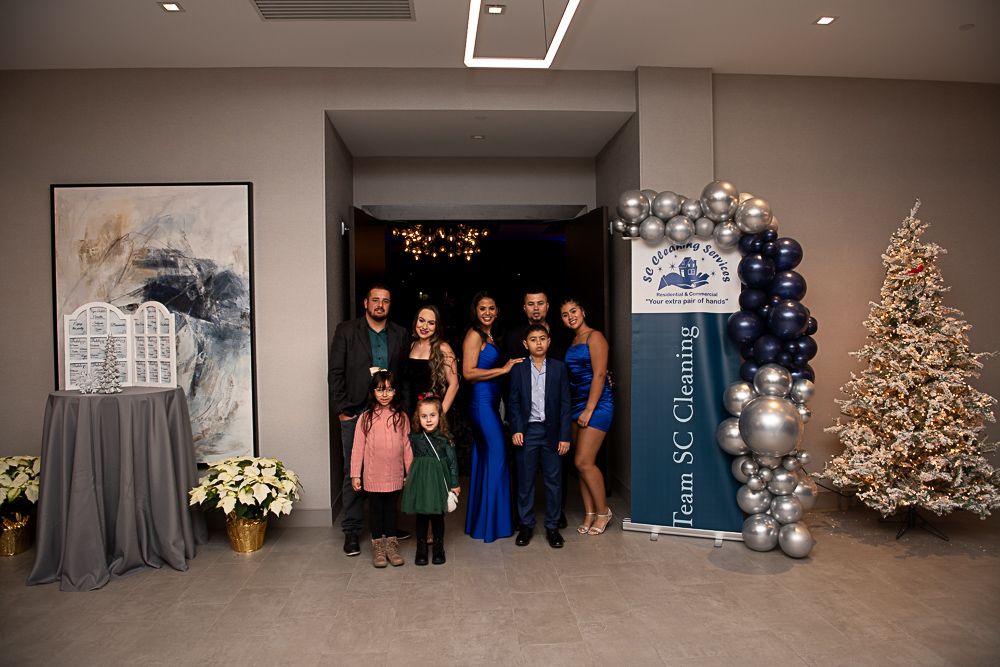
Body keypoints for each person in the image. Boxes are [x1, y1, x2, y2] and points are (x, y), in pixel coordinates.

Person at [329, 282, 410, 557]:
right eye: (375, 300)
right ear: (366, 303)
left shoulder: (400, 333)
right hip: (356, 412)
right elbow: (335, 372)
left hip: (389, 413)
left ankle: (387, 528)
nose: (380, 305)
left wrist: (404, 411)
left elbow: (406, 377)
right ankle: (352, 530)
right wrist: (343, 408)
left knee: (391, 467)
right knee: (354, 469)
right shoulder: (347, 331)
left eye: (385, 301)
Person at [503, 287, 569, 529]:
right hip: (527, 428)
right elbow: (513, 397)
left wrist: (564, 434)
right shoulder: (518, 362)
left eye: (540, 303)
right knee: (525, 479)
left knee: (554, 478)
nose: (536, 308)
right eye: (531, 304)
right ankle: (525, 523)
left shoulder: (559, 360)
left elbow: (564, 401)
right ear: (525, 343)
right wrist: (515, 425)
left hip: (552, 427)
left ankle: (553, 524)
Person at [462, 291, 522, 542]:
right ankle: (493, 524)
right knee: (498, 457)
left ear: (497, 311)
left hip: (490, 402)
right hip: (481, 404)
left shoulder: (490, 335)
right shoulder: (474, 335)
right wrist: (503, 368)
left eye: (492, 308)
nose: (487, 312)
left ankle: (484, 522)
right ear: (475, 311)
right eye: (482, 308)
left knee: (486, 458)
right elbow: (468, 372)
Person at [560, 298, 614, 535]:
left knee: (584, 461)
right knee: (580, 464)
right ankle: (589, 512)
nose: (570, 316)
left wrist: (589, 409)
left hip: (598, 404)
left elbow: (600, 374)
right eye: (564, 314)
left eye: (573, 311)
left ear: (582, 311)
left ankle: (603, 512)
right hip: (576, 403)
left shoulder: (595, 337)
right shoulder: (573, 341)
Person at [350, 371, 413, 568]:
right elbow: (357, 447)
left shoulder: (401, 417)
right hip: (372, 475)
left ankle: (392, 546)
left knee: (391, 511)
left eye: (389, 389)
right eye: (380, 390)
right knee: (376, 512)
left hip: (394, 475)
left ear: (395, 392)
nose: (385, 394)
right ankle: (378, 547)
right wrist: (355, 474)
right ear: (373, 392)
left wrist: (410, 472)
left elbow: (407, 446)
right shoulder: (365, 418)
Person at [402, 394, 460, 565]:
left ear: (439, 416)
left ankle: (438, 548)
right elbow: (407, 456)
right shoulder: (414, 437)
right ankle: (421, 549)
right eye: (424, 416)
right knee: (421, 515)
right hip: (420, 479)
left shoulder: (445, 439)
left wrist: (455, 483)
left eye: (432, 415)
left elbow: (452, 463)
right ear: (418, 418)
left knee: (437, 516)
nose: (428, 420)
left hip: (438, 480)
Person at [400, 305, 459, 418]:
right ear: (415, 321)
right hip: (413, 412)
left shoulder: (444, 348)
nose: (424, 326)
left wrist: (439, 415)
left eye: (431, 323)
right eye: (421, 321)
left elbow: (454, 384)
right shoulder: (411, 345)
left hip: (433, 414)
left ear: (437, 326)